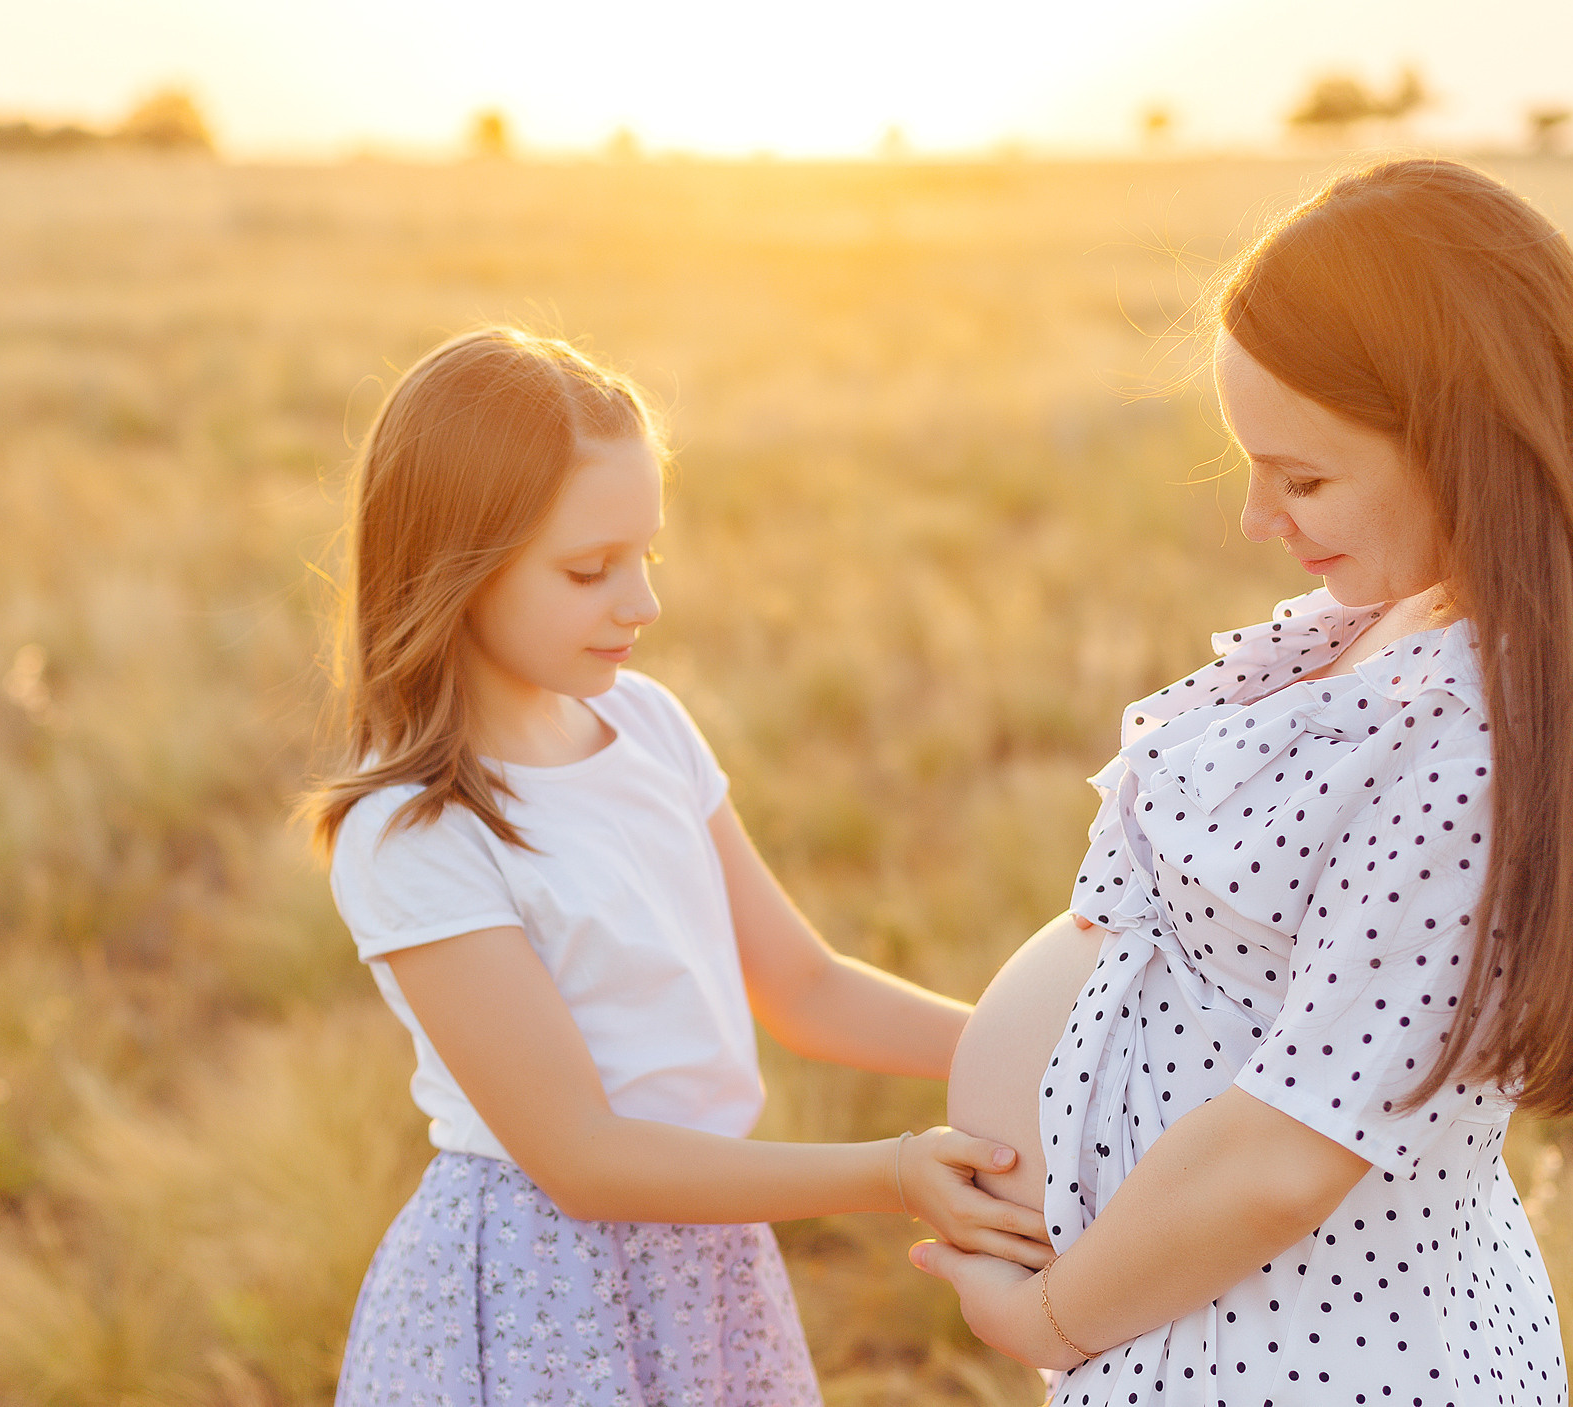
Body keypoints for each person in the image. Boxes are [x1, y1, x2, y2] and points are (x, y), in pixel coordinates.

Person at [919, 158, 1573, 1407]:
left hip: (1292, 1351)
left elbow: (1284, 1152)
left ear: (1466, 449)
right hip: (1202, 1321)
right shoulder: (1380, 628)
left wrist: (1045, 1317)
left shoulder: (1473, 754)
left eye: (1301, 477)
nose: (1257, 518)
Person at [303, 328, 1050, 1406]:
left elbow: (804, 988)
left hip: (710, 1257)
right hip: (538, 1290)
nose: (641, 603)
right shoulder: (417, 827)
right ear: (455, 567)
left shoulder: (646, 725)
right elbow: (583, 1156)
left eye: (645, 557)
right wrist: (890, 1173)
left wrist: (1046, 1048)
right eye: (588, 570)